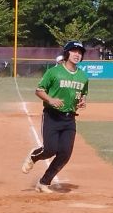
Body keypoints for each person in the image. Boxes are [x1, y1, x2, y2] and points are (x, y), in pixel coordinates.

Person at [22, 41, 89, 193]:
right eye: (74, 51)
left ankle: (44, 182)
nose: (77, 54)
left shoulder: (83, 77)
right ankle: (33, 156)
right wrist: (50, 100)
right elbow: (39, 90)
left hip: (69, 118)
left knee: (65, 153)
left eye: (80, 52)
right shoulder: (54, 72)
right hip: (52, 116)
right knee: (50, 149)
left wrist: (82, 101)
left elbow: (82, 95)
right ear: (66, 53)